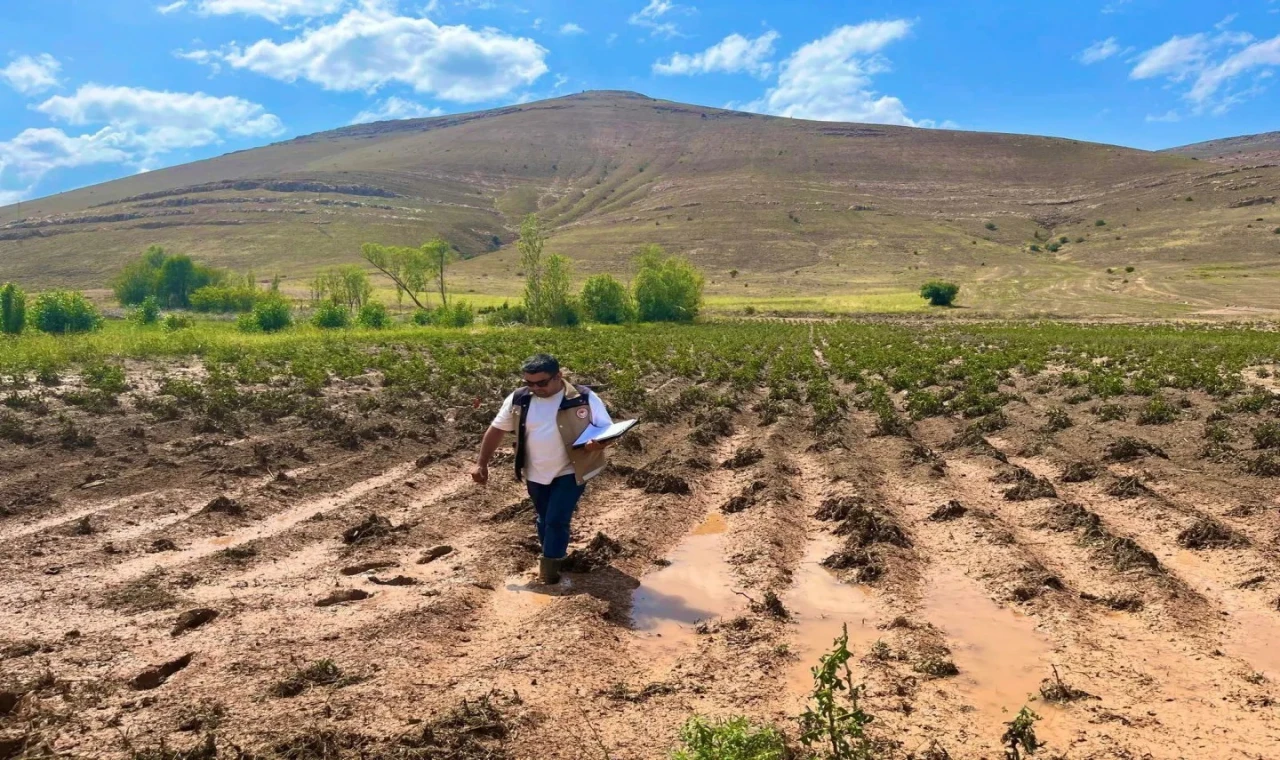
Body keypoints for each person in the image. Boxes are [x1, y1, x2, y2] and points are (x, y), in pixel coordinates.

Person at [472, 354, 615, 585]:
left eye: (541, 383)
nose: (535, 388)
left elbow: (606, 429)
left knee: (557, 519)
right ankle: (554, 557)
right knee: (543, 518)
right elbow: (496, 429)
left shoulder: (583, 397)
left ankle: (550, 573)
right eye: (529, 383)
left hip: (571, 470)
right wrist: (482, 463)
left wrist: (597, 443)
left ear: (558, 376)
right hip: (535, 471)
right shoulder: (520, 399)